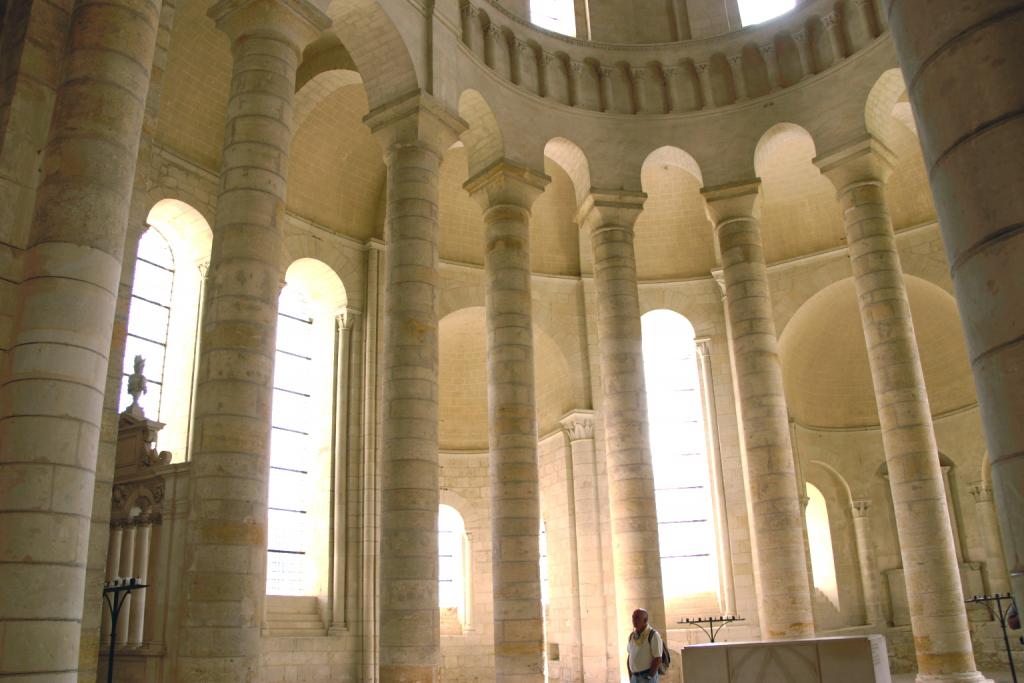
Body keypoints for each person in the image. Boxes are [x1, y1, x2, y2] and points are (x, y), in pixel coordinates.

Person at [627, 608, 663, 682]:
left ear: (645, 620)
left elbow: (658, 659)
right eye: (633, 617)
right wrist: (630, 675)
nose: (634, 620)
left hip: (647, 677)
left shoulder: (653, 635)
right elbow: (630, 655)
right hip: (634, 677)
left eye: (637, 617)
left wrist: (649, 676)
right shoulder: (632, 636)